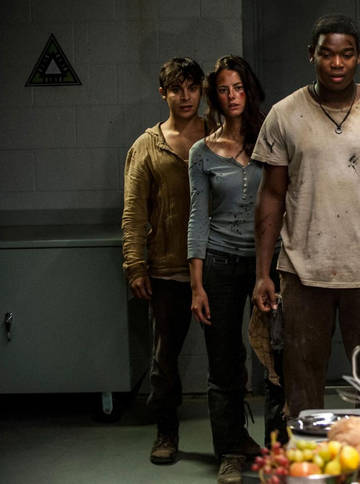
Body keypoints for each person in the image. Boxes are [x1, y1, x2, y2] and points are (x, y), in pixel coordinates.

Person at [251, 15, 360, 417]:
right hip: (304, 271)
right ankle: (309, 457)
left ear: (359, 56)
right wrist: (262, 273)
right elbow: (271, 196)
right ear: (312, 55)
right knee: (302, 387)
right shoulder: (284, 115)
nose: (337, 63)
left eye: (346, 54)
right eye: (327, 54)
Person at [186, 55, 273, 483]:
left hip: (266, 264)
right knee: (224, 360)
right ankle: (230, 450)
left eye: (238, 87)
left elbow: (285, 202)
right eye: (223, 89)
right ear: (214, 96)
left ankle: (279, 446)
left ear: (248, 90)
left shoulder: (269, 141)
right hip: (219, 264)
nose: (232, 96)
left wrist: (274, 268)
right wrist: (197, 285)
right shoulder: (201, 152)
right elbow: (197, 218)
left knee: (276, 355)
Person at [122, 57, 209, 465]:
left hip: (217, 267)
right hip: (167, 269)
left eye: (192, 87)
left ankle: (231, 436)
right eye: (177, 89)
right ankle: (166, 432)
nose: (186, 96)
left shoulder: (219, 134)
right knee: (165, 358)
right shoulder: (147, 146)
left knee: (226, 356)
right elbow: (133, 211)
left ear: (201, 89)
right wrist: (135, 264)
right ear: (164, 94)